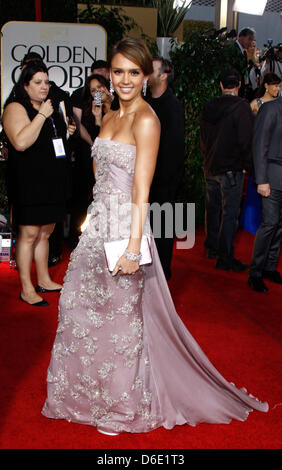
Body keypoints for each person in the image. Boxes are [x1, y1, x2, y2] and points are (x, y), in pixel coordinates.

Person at [42, 38, 268, 435]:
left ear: (146, 76)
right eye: (118, 71)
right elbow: (100, 179)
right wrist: (92, 223)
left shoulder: (147, 119)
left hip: (126, 231)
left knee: (120, 324)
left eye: (134, 72)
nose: (125, 80)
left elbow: (141, 192)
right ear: (109, 75)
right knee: (80, 313)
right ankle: (82, 397)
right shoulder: (109, 116)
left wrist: (133, 247)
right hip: (97, 228)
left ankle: (120, 408)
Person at [2, 61, 76, 306]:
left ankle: (43, 279)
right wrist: (43, 115)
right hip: (28, 182)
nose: (44, 86)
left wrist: (67, 131)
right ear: (25, 85)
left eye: (46, 82)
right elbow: (21, 142)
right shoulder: (16, 107)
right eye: (38, 82)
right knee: (29, 233)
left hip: (52, 180)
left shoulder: (50, 107)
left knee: (46, 233)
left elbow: (53, 141)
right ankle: (26, 288)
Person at [200, 70, 253, 270]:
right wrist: (248, 166)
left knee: (212, 210)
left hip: (211, 167)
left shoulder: (209, 106)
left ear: (221, 85)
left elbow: (203, 138)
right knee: (229, 213)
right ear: (238, 85)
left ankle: (211, 248)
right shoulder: (241, 107)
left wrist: (207, 160)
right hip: (232, 169)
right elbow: (245, 141)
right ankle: (225, 257)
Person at [147, 57, 185, 280]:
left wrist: (160, 180)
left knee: (161, 230)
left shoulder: (172, 106)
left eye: (150, 70)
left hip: (162, 181)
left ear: (163, 75)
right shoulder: (143, 100)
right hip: (142, 179)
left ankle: (161, 276)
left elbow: (174, 149)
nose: (144, 73)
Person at [68, 74, 112, 248]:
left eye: (100, 87)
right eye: (93, 90)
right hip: (88, 155)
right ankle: (78, 236)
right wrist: (96, 118)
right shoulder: (88, 106)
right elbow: (82, 129)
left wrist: (99, 118)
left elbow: (110, 136)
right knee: (83, 194)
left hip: (108, 156)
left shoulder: (117, 105)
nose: (97, 92)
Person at [248, 94, 282, 293]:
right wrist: (261, 179)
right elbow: (259, 145)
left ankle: (269, 266)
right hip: (271, 177)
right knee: (269, 223)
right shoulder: (270, 109)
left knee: (279, 225)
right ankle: (255, 273)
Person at [241, 73, 282, 234]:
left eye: (279, 85)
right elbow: (252, 132)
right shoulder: (256, 104)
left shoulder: (277, 106)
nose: (277, 88)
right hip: (261, 155)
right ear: (266, 85)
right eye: (275, 85)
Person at [233, 28, 256, 100]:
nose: (250, 42)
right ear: (241, 37)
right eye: (249, 39)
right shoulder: (232, 49)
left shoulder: (244, 53)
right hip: (234, 88)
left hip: (242, 89)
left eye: (252, 40)